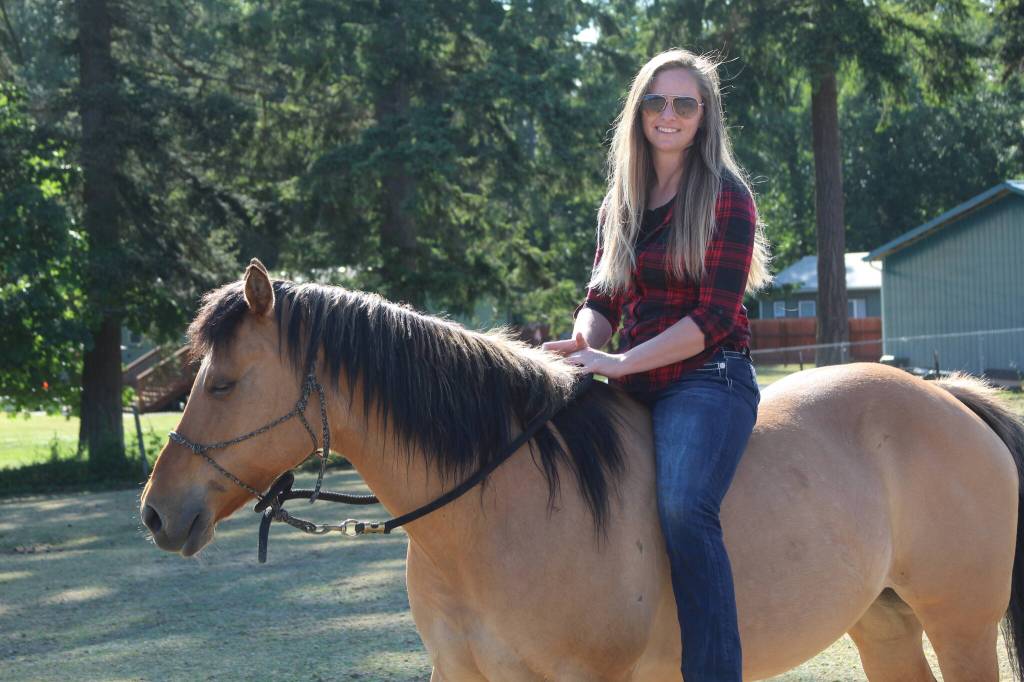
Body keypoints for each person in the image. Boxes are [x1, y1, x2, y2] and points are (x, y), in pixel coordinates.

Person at [543, 49, 771, 681]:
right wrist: (584, 346)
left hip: (708, 377)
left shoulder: (728, 197)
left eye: (684, 104)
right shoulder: (622, 200)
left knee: (682, 507)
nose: (667, 115)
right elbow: (603, 298)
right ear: (638, 110)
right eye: (655, 102)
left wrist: (618, 361)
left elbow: (714, 318)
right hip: (629, 370)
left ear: (705, 117)